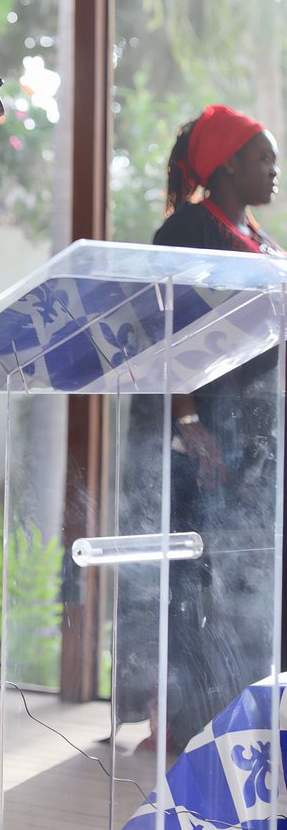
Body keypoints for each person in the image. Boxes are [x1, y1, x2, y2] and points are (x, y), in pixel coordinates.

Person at [118, 104, 283, 752]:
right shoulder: (187, 229)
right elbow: (163, 328)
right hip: (202, 433)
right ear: (227, 165)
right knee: (191, 581)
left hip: (254, 434)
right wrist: (186, 419)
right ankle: (182, 723)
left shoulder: (260, 239)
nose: (274, 170)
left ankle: (241, 721)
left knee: (244, 578)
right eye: (264, 158)